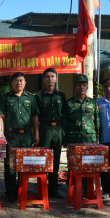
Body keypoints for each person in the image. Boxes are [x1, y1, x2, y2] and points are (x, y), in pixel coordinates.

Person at [0, 72, 40, 202]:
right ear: (12, 83)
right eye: (16, 80)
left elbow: (34, 117)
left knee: (25, 162)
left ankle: (21, 189)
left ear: (25, 82)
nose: (18, 83)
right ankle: (10, 192)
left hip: (27, 135)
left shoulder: (31, 98)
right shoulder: (6, 98)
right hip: (11, 135)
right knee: (10, 164)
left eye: (21, 80)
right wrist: (2, 134)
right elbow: (2, 117)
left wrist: (36, 133)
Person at [63, 74, 100, 188]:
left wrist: (98, 139)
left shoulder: (93, 103)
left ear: (87, 87)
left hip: (90, 139)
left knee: (88, 164)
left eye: (84, 85)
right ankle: (72, 188)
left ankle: (87, 187)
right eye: (79, 85)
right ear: (75, 87)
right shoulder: (69, 103)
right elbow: (65, 122)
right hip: (74, 138)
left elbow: (97, 121)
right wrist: (65, 139)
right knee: (73, 163)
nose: (81, 87)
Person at [35, 68, 67, 199]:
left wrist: (64, 134)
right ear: (43, 79)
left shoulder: (61, 95)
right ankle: (42, 189)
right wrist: (36, 134)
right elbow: (35, 116)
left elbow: (64, 115)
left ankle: (53, 189)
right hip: (44, 129)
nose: (50, 79)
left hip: (58, 129)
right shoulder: (38, 96)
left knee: (55, 160)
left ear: (56, 78)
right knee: (43, 160)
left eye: (52, 76)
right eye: (47, 77)